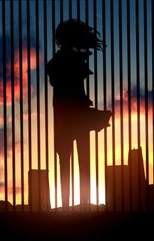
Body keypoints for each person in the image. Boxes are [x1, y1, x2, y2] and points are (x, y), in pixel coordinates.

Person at [46, 19, 111, 208]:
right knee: (78, 159)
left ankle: (71, 204)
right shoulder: (70, 62)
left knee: (69, 160)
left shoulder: (61, 62)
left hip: (67, 116)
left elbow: (60, 84)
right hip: (73, 115)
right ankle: (78, 202)